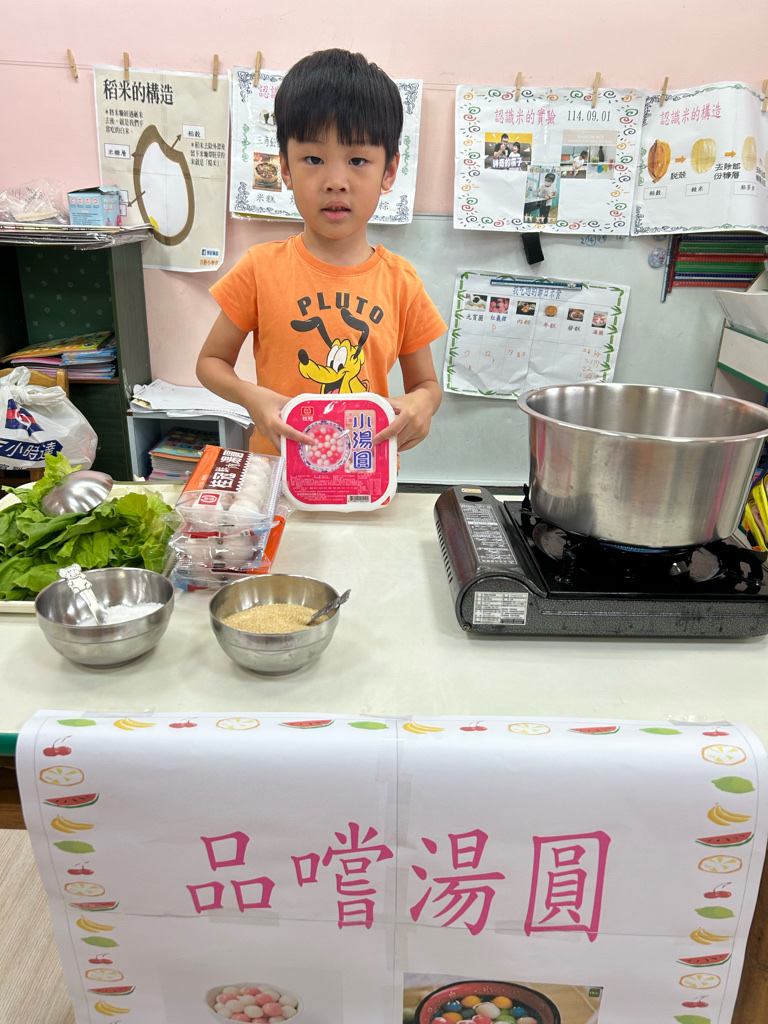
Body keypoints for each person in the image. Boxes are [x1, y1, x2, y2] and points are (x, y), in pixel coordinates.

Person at [196, 48, 447, 456]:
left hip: (364, 474)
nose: (335, 181)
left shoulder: (401, 282)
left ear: (389, 171)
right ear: (286, 168)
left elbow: (427, 385)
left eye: (358, 160)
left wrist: (422, 404)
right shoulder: (260, 268)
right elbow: (210, 362)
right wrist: (251, 397)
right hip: (276, 474)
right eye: (313, 158)